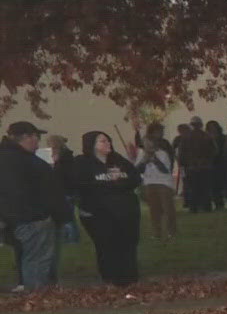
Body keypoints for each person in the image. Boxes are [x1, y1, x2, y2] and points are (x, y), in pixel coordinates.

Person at [70, 131, 143, 286]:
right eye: (102, 141)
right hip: (99, 213)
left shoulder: (118, 160)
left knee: (128, 245)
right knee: (107, 245)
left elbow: (135, 179)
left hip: (125, 211)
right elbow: (80, 185)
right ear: (92, 145)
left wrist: (120, 181)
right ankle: (111, 278)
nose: (107, 144)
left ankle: (130, 278)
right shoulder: (82, 163)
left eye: (108, 141)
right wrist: (108, 182)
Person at [0, 120, 64, 291]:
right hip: (32, 219)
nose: (38, 141)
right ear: (26, 137)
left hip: (26, 217)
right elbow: (17, 191)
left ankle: (38, 293)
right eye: (36, 137)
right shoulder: (17, 160)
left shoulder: (13, 157)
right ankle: (37, 296)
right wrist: (39, 212)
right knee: (37, 260)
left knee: (37, 258)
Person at [134, 122, 180, 240]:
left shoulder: (162, 153)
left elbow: (165, 170)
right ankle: (156, 232)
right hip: (149, 183)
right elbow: (138, 170)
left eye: (150, 144)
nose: (148, 146)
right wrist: (144, 161)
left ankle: (172, 231)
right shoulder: (141, 154)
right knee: (154, 210)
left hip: (164, 183)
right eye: (146, 144)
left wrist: (154, 160)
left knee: (168, 209)